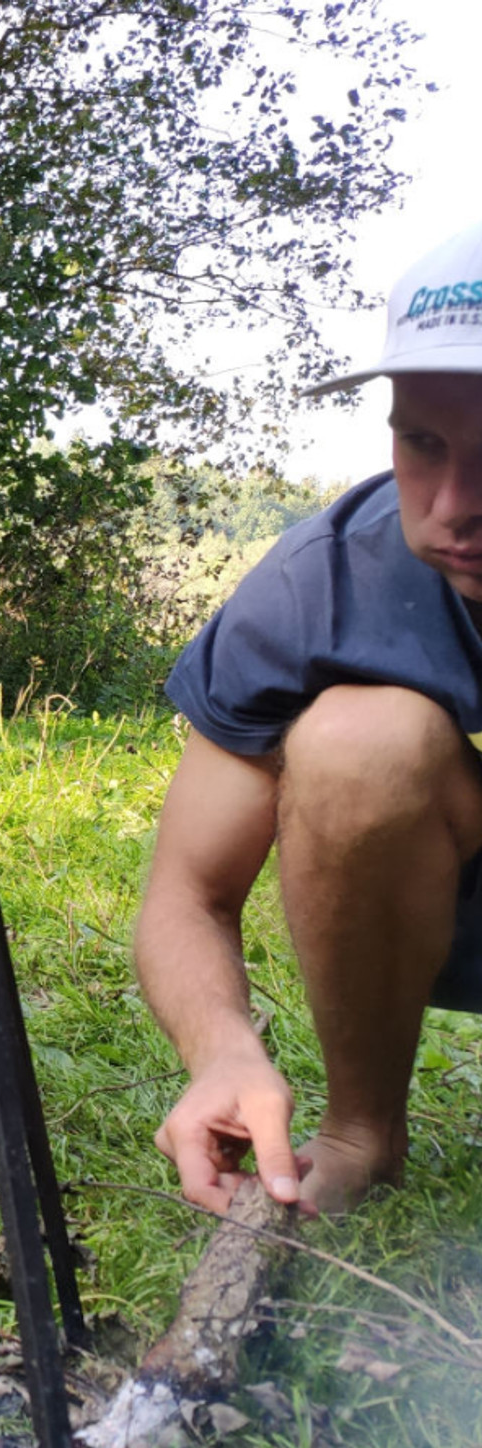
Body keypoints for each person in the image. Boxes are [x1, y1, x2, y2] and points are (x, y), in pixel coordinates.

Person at [138, 219, 482, 1214]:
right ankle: (360, 1134)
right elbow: (185, 895)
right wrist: (220, 1054)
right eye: (421, 443)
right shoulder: (315, 586)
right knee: (357, 744)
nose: (456, 502)